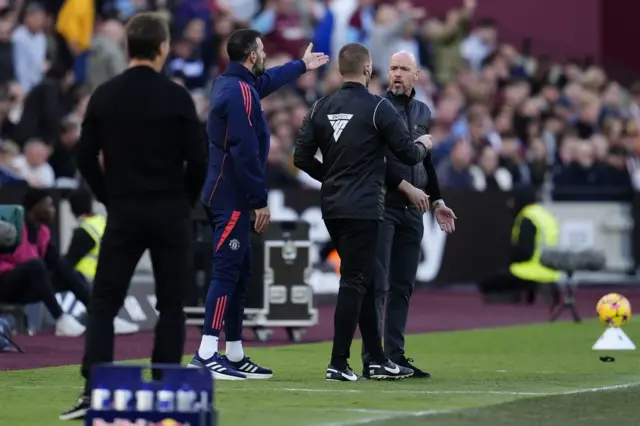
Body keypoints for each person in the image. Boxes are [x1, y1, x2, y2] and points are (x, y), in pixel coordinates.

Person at [61, 12, 207, 420]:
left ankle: (96, 390)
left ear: (127, 48)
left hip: (124, 209)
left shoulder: (105, 95)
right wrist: (185, 200)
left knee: (105, 303)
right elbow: (198, 160)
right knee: (172, 304)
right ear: (162, 48)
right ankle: (165, 390)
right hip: (170, 211)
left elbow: (85, 156)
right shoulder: (177, 97)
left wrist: (110, 195)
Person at [189, 29, 329, 380]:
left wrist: (301, 66)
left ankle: (233, 353)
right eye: (263, 50)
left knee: (241, 273)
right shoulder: (240, 93)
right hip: (232, 197)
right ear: (252, 55)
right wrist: (259, 201)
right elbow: (245, 152)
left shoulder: (233, 84)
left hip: (227, 193)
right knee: (225, 273)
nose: (266, 55)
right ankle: (206, 353)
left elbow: (265, 82)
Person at [293, 42, 431, 381]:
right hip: (366, 207)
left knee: (366, 280)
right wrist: (424, 144)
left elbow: (300, 157)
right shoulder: (378, 108)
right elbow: (407, 154)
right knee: (355, 281)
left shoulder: (321, 106)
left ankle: (377, 359)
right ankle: (338, 362)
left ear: (340, 70)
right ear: (368, 69)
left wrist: (332, 176)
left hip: (332, 206)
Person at [361, 51, 457, 379]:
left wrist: (438, 201)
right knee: (378, 285)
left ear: (417, 75)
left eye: (404, 69)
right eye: (393, 68)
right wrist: (406, 188)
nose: (397, 74)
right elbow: (377, 161)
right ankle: (373, 358)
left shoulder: (422, 111)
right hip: (383, 206)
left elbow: (425, 162)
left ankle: (395, 357)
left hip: (414, 210)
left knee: (403, 285)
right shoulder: (376, 108)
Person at [0, 188, 90, 337]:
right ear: (35, 208)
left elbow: (57, 263)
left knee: (65, 269)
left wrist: (67, 272)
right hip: (5, 284)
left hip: (24, 288)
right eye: (49, 205)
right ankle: (61, 319)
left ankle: (101, 315)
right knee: (36, 265)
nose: (52, 210)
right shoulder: (13, 227)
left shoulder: (43, 232)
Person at [65, 187, 139, 335]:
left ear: (72, 209)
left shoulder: (83, 231)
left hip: (86, 283)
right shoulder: (103, 222)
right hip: (110, 280)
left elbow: (68, 263)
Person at [478, 186, 561, 303]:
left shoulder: (527, 217)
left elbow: (525, 252)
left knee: (486, 282)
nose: (509, 204)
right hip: (551, 274)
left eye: (512, 200)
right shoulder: (545, 215)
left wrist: (509, 259)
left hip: (530, 272)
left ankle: (512, 298)